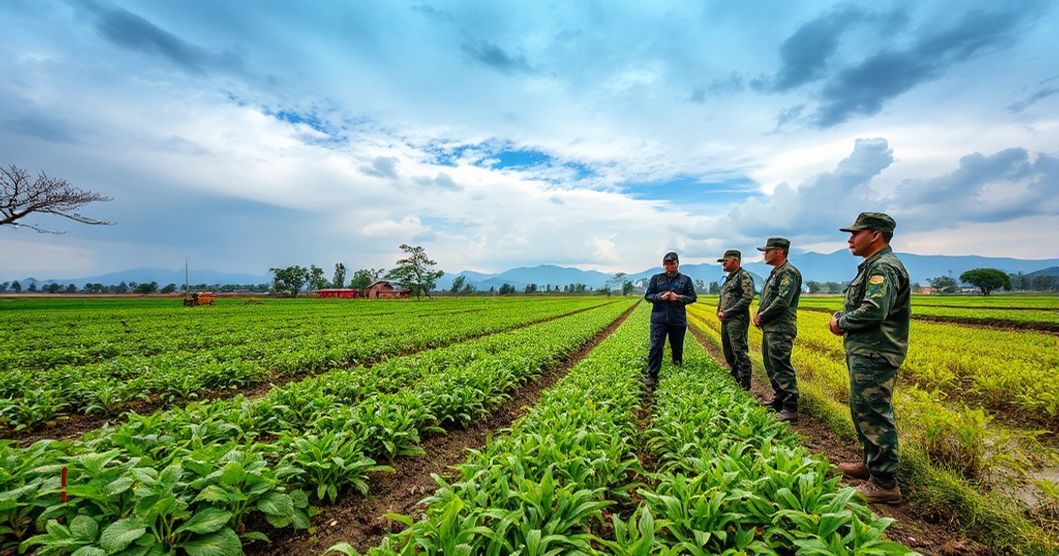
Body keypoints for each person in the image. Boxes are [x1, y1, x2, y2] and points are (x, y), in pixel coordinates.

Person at [829, 212, 910, 505]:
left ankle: (885, 482)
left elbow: (874, 309)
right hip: (865, 350)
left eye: (855, 233)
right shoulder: (873, 266)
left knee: (874, 412)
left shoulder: (883, 268)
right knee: (862, 409)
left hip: (876, 351)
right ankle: (871, 465)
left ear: (875, 234)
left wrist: (841, 321)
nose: (850, 239)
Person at [754, 237, 802, 422]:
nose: (765, 254)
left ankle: (790, 407)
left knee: (781, 366)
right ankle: (779, 398)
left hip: (780, 328)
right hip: (771, 327)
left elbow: (782, 301)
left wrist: (762, 316)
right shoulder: (776, 273)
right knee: (770, 364)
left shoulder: (788, 273)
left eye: (768, 250)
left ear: (780, 251)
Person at [644, 251, 697, 387]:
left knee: (677, 348)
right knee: (655, 347)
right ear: (663, 265)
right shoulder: (656, 279)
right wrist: (660, 297)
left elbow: (692, 297)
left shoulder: (685, 280)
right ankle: (652, 375)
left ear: (677, 264)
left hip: (677, 319)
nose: (669, 266)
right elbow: (648, 295)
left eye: (672, 264)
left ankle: (676, 374)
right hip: (659, 319)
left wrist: (678, 298)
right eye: (666, 264)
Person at [716, 249, 754, 390]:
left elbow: (747, 298)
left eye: (726, 261)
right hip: (726, 320)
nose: (723, 264)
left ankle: (745, 382)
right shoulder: (729, 278)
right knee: (728, 351)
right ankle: (735, 374)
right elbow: (723, 297)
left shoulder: (743, 276)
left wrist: (728, 312)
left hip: (737, 320)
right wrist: (719, 309)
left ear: (735, 261)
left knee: (739, 350)